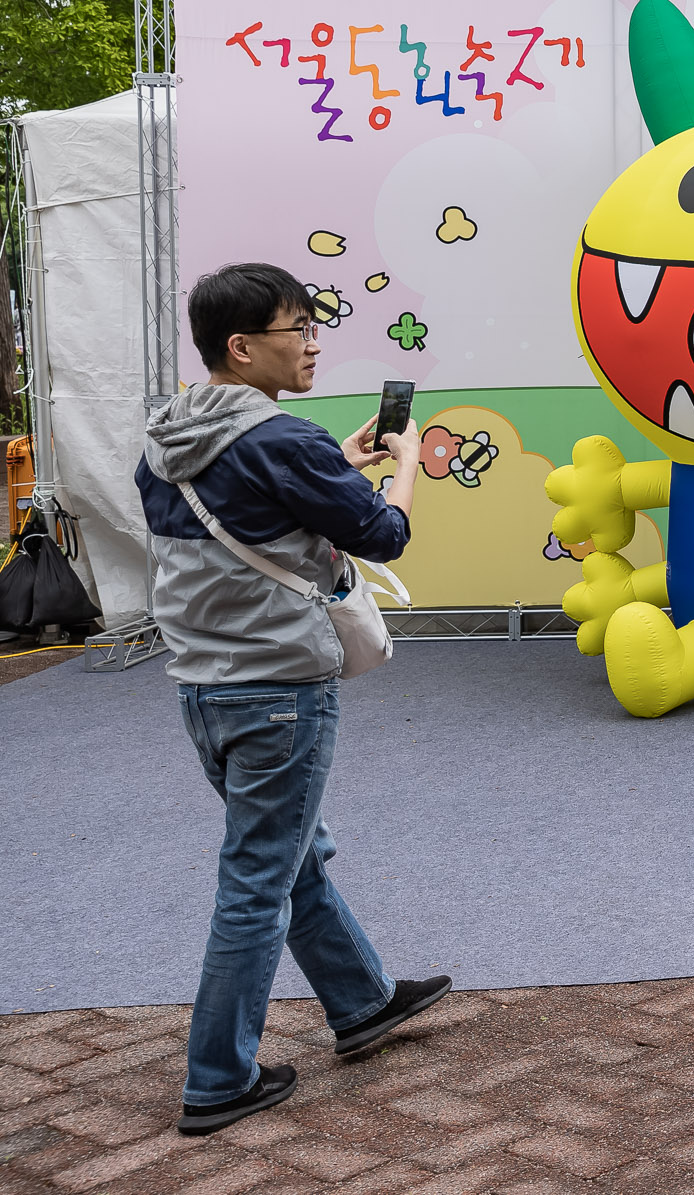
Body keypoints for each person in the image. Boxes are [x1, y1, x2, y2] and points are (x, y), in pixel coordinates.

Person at [135, 263, 445, 1136]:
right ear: (241, 347)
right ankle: (217, 1079)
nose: (312, 343)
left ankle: (363, 1000)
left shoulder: (166, 438)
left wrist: (333, 465)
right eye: (295, 329)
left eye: (313, 326)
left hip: (204, 687)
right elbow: (385, 532)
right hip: (278, 688)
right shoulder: (283, 438)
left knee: (285, 852)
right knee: (258, 879)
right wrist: (405, 464)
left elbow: (232, 521)